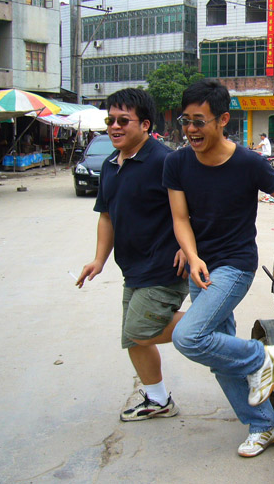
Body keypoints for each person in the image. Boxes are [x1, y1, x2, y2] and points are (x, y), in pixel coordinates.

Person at [163, 79, 274, 458]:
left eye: (199, 121)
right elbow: (180, 219)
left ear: (223, 120)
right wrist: (192, 256)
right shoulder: (177, 163)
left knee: (189, 337)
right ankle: (265, 425)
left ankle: (261, 357)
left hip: (235, 266)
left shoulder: (248, 163)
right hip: (200, 268)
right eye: (185, 121)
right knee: (220, 357)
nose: (191, 129)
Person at [76, 88, 189, 422]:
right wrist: (99, 260)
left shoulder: (164, 161)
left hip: (165, 265)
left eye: (123, 120)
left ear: (145, 125)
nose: (114, 126)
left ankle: (215, 328)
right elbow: (107, 216)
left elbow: (194, 208)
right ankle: (158, 400)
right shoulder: (111, 165)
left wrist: (187, 247)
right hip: (134, 268)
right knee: (134, 338)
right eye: (110, 120)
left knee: (139, 330)